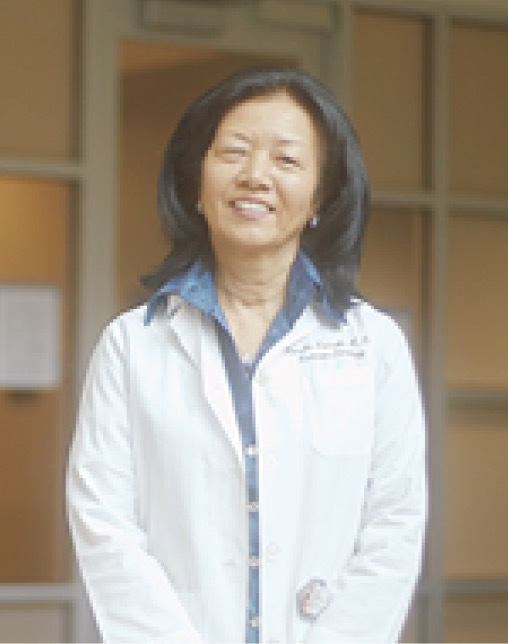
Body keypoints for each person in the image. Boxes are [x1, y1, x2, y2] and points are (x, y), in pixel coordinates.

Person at [66, 67, 427, 643]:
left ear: (321, 197)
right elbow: (104, 523)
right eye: (234, 152)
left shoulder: (374, 347)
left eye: (286, 160)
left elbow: (395, 523)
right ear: (196, 182)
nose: (255, 175)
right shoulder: (132, 345)